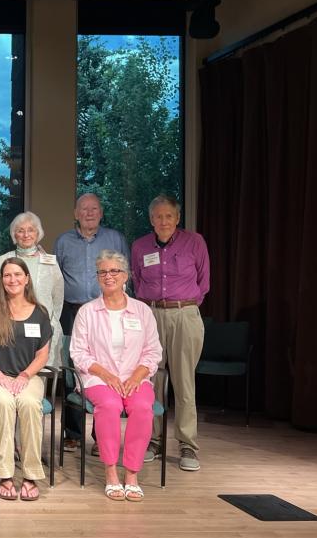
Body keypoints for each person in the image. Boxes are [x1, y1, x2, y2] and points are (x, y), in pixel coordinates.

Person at [70, 250, 163, 501]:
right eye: (103, 271)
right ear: (97, 277)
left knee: (144, 406)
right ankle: (111, 472)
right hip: (98, 379)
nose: (108, 276)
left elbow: (153, 351)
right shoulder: (87, 312)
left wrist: (136, 377)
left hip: (136, 377)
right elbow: (78, 352)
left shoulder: (142, 311)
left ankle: (131, 474)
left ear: (126, 276)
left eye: (114, 271)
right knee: (110, 405)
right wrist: (107, 375)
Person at [131, 195, 209, 472]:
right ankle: (153, 440)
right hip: (151, 315)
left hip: (184, 315)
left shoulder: (194, 242)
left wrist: (181, 307)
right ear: (151, 220)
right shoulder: (140, 246)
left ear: (177, 218)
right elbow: (138, 282)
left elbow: (204, 282)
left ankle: (188, 445)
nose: (163, 221)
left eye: (168, 216)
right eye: (158, 217)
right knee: (150, 380)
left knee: (184, 382)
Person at [54, 194, 128, 454]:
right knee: (73, 369)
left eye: (94, 209)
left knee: (105, 367)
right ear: (75, 213)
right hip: (73, 311)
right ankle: (72, 434)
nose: (89, 213)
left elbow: (124, 274)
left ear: (101, 212)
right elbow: (57, 276)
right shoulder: (63, 241)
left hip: (106, 311)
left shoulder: (115, 239)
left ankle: (101, 436)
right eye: (84, 209)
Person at [0, 257, 52, 501]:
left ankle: (30, 475)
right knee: (5, 403)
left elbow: (42, 354)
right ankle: (5, 475)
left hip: (27, 376)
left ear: (27, 278)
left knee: (29, 404)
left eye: (18, 274)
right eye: (7, 275)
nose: (12, 279)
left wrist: (25, 375)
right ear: (1, 280)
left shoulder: (39, 312)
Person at [0, 213, 64, 370]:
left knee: (40, 377)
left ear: (38, 233)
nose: (26, 235)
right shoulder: (2, 261)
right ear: (14, 235)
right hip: (12, 331)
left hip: (44, 330)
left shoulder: (50, 262)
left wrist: (48, 323)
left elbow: (58, 298)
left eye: (30, 230)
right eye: (20, 230)